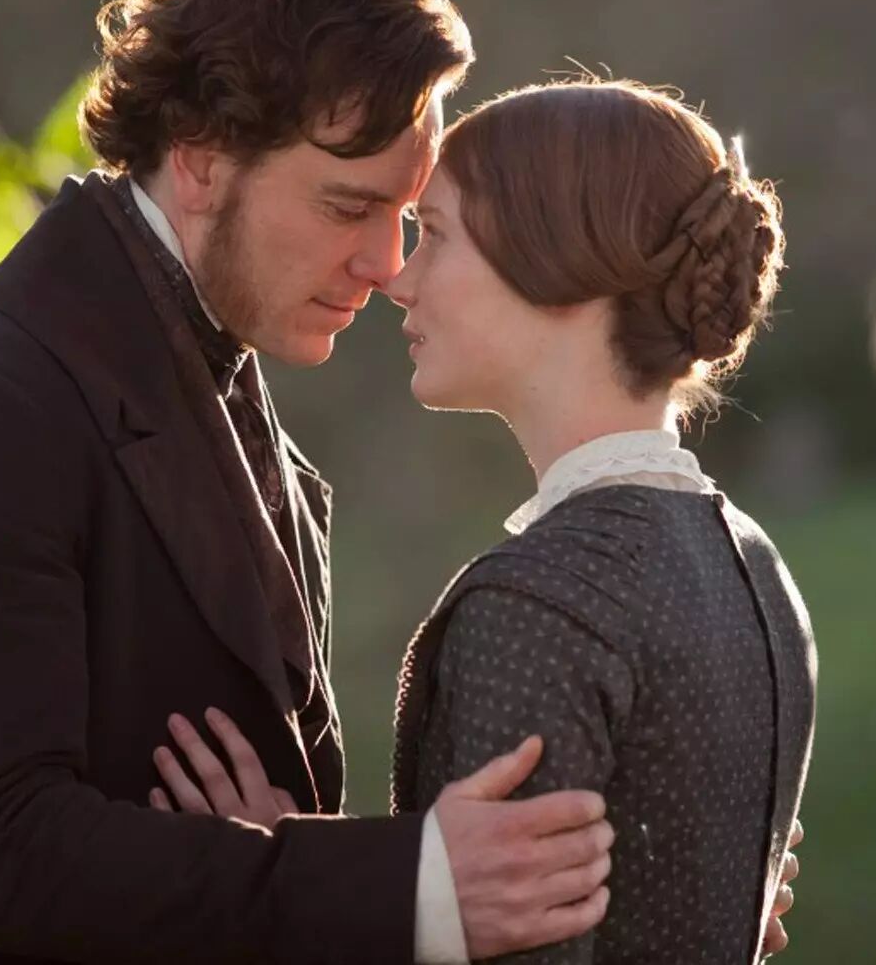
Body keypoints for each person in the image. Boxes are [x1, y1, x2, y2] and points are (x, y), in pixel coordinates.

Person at [0, 0, 615, 965]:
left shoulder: (233, 406)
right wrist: (409, 882)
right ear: (200, 159)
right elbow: (3, 858)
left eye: (404, 214)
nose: (387, 262)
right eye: (348, 205)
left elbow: (267, 874)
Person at [155, 79, 816, 964]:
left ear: (557, 266)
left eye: (433, 234)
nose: (398, 279)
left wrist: (296, 893)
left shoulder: (538, 608)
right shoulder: (760, 572)